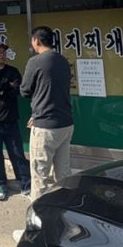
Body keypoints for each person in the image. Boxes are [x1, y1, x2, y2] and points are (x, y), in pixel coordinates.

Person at [20, 25, 74, 202]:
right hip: (65, 124)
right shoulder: (63, 60)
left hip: (45, 127)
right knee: (63, 173)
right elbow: (52, 91)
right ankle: (66, 210)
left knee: (40, 177)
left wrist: (38, 113)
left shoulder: (36, 61)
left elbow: (25, 90)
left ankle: (39, 222)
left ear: (36, 40)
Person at [0, 43, 31, 201]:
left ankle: (25, 183)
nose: (1, 55)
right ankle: (0, 183)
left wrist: (4, 87)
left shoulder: (13, 71)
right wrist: (7, 85)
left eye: (3, 52)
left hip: (11, 120)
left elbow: (18, 89)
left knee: (17, 153)